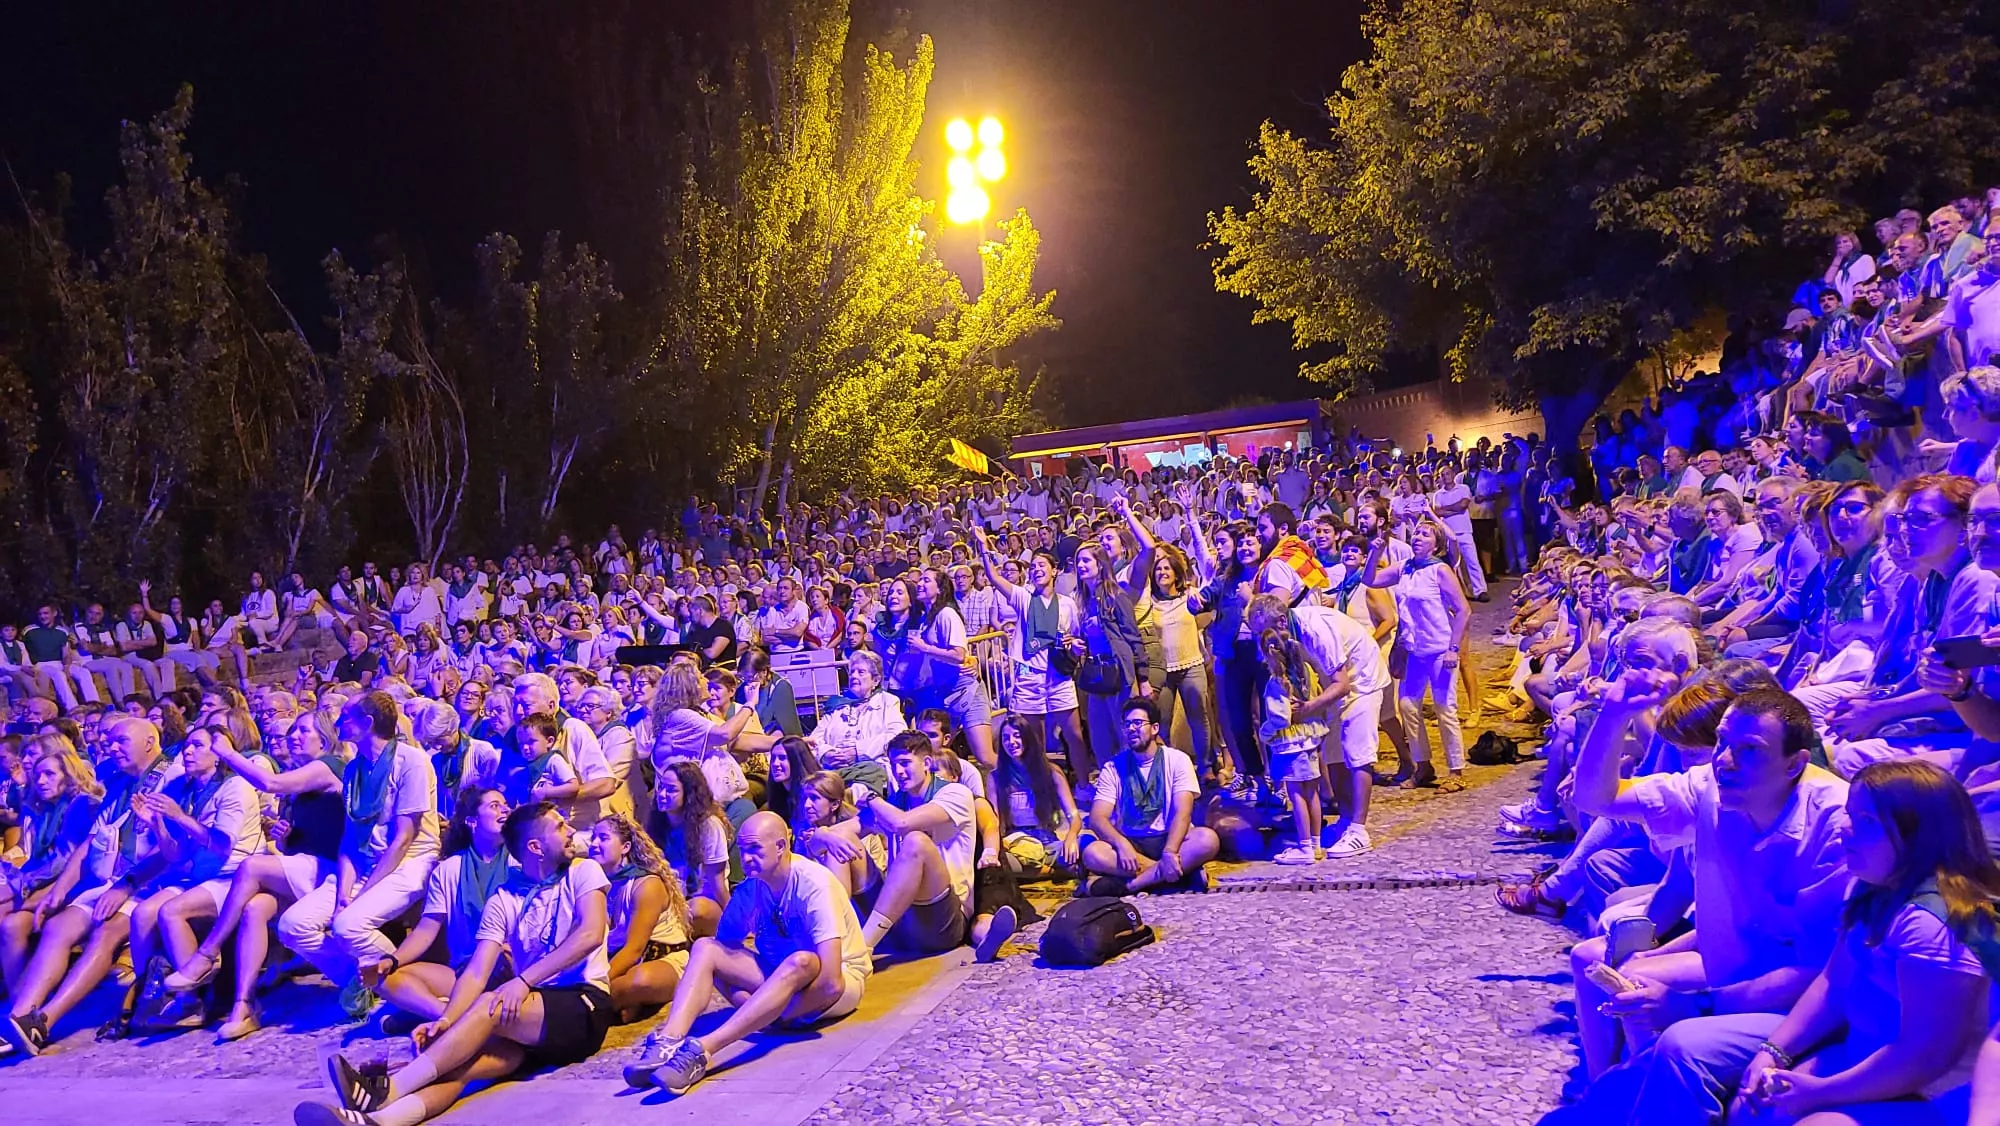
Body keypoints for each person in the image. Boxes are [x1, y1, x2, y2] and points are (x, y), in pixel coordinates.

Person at [302, 803, 612, 1126]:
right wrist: (447, 1021)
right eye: (561, 826)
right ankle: (378, 1121)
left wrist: (522, 982)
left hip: (582, 1004)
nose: (571, 832)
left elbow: (590, 933)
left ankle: (389, 1088)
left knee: (490, 1003)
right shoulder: (504, 898)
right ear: (535, 846)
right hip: (529, 1022)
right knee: (456, 1066)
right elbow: (477, 972)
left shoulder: (583, 872)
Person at [1732, 760, 1994, 1122]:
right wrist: (1773, 1052)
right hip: (1868, 1060)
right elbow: (1832, 982)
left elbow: (1926, 1056)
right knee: (1752, 1108)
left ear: (1917, 836)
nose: (1844, 828)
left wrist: (1822, 1092)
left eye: (1865, 821)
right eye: (1849, 814)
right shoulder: (1872, 884)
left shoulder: (1932, 921)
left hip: (1934, 1094)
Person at [621, 812, 870, 1096]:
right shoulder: (752, 888)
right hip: (784, 980)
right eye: (742, 850)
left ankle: (704, 1049)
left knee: (804, 960)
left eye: (754, 849)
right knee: (705, 948)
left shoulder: (814, 885)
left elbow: (831, 983)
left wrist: (781, 1014)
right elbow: (722, 950)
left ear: (780, 847)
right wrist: (766, 1007)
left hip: (837, 984)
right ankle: (668, 1041)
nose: (746, 858)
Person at [157, 714, 348, 1039]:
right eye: (292, 732)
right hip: (306, 870)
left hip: (336, 872)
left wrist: (228, 752)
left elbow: (270, 784)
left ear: (324, 738)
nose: (294, 737)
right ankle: (243, 1006)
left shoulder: (329, 765)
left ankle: (206, 955)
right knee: (254, 908)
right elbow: (294, 847)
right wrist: (285, 837)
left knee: (251, 866)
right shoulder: (297, 787)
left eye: (304, 730)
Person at [2, 716, 181, 1055]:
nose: (111, 748)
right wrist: (56, 894)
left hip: (151, 883)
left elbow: (170, 848)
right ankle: (18, 1016)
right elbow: (88, 845)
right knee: (57, 926)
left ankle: (44, 1021)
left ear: (148, 742)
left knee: (108, 930)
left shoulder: (171, 777)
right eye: (109, 742)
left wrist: (126, 885)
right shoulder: (117, 782)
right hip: (108, 882)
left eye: (120, 741)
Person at [277, 691, 441, 1020]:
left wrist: (363, 893)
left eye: (346, 717)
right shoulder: (354, 770)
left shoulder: (411, 761)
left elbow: (404, 838)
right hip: (365, 863)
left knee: (348, 925)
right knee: (292, 925)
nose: (337, 723)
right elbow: (350, 839)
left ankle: (404, 984)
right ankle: (369, 985)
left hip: (410, 861)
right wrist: (344, 892)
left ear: (368, 723)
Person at [1249, 593, 1388, 858]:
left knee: (1359, 754)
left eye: (1261, 632)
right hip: (1331, 689)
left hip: (1362, 683)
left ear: (1280, 621)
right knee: (1334, 754)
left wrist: (1309, 708)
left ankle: (1359, 830)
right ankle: (1346, 820)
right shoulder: (1287, 636)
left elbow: (1343, 683)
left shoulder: (1316, 630)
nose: (1261, 640)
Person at [369, 786, 513, 1030]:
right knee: (383, 980)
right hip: (465, 972)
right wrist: (392, 961)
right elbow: (426, 931)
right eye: (494, 805)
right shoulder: (449, 870)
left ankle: (446, 1014)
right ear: (472, 821)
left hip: (510, 964)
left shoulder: (521, 861)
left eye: (505, 804)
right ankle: (451, 1016)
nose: (505, 810)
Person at [849, 731, 980, 957]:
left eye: (905, 763)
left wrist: (872, 799)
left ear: (927, 762)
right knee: (844, 846)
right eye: (893, 765)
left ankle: (861, 949)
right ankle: (837, 940)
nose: (898, 772)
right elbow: (843, 832)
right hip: (901, 923)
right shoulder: (895, 802)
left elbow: (902, 823)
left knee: (915, 841)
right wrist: (823, 835)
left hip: (944, 922)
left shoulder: (956, 793)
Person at [1364, 517, 1472, 791]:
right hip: (1415, 650)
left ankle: (1456, 770)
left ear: (1436, 545)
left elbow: (1463, 610)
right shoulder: (1405, 568)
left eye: (1425, 534)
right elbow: (1371, 580)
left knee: (1445, 707)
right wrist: (1375, 552)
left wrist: (1454, 648)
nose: (1418, 537)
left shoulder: (1440, 570)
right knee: (1408, 706)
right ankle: (1422, 764)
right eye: (1416, 533)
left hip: (1439, 649)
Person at [1080, 697, 1220, 894]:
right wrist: (1122, 844)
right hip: (1132, 845)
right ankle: (1177, 875)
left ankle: (1133, 885)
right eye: (1127, 724)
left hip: (1172, 839)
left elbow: (1183, 812)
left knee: (1207, 839)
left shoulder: (1178, 760)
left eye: (1137, 723)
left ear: (1154, 728)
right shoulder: (1113, 766)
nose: (1131, 729)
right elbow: (1097, 817)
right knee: (1092, 853)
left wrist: (1170, 851)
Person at [585, 811, 690, 1022]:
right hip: (617, 959)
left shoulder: (646, 885)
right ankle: (627, 1004)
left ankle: (604, 1003)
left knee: (638, 982)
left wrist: (594, 984)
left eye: (603, 838)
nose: (594, 843)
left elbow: (634, 950)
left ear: (625, 847)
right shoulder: (596, 882)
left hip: (663, 959)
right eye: (593, 838)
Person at [1256, 627, 1332, 865]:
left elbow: (1280, 718)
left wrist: (1265, 732)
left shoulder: (1276, 682)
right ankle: (1316, 844)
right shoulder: (1306, 671)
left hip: (1291, 744)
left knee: (1296, 794)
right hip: (1310, 739)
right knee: (1312, 792)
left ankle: (1304, 846)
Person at [647, 760, 732, 938]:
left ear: (689, 794)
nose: (662, 794)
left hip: (705, 901)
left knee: (694, 909)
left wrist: (735, 922)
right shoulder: (656, 823)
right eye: (661, 787)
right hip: (671, 899)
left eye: (671, 790)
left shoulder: (709, 826)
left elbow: (716, 883)